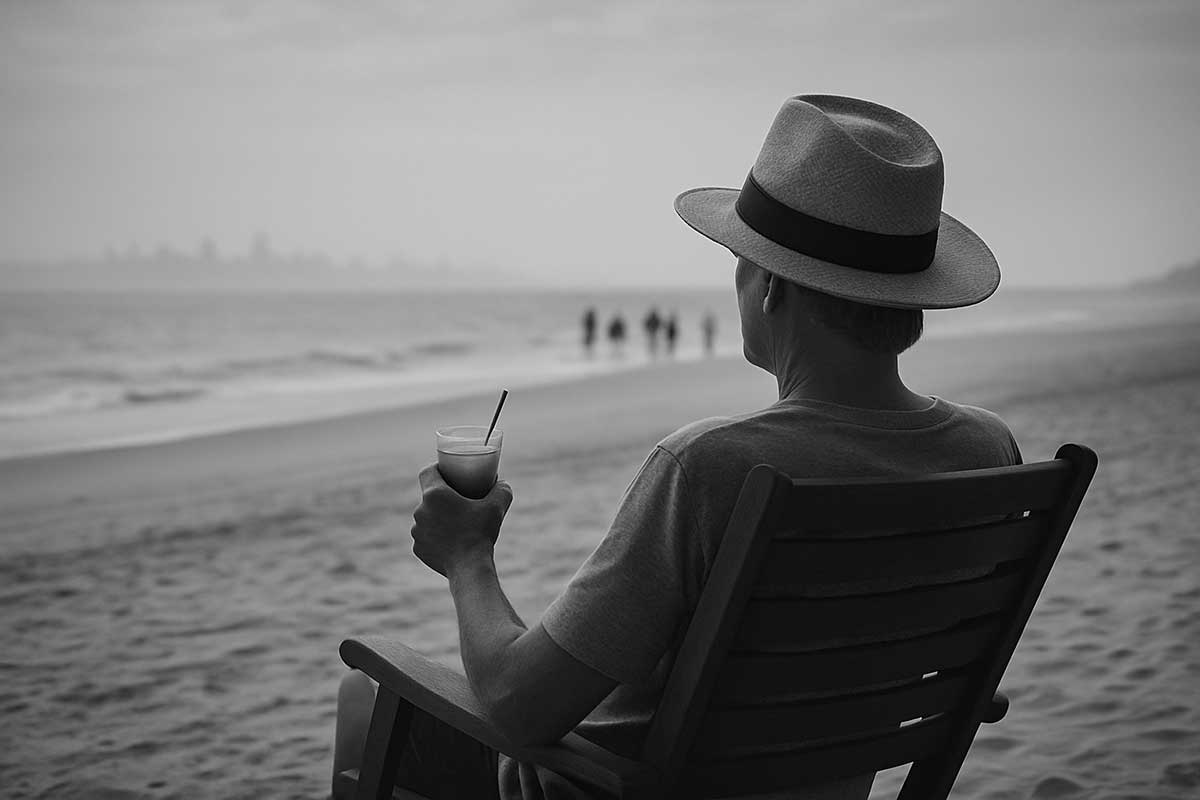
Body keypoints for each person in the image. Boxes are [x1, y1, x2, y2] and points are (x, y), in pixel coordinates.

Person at [333, 94, 1020, 799]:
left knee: (367, 696)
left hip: (612, 787)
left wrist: (467, 555)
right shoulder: (984, 449)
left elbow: (518, 703)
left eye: (742, 261)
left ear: (773, 286)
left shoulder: (710, 468)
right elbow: (971, 689)